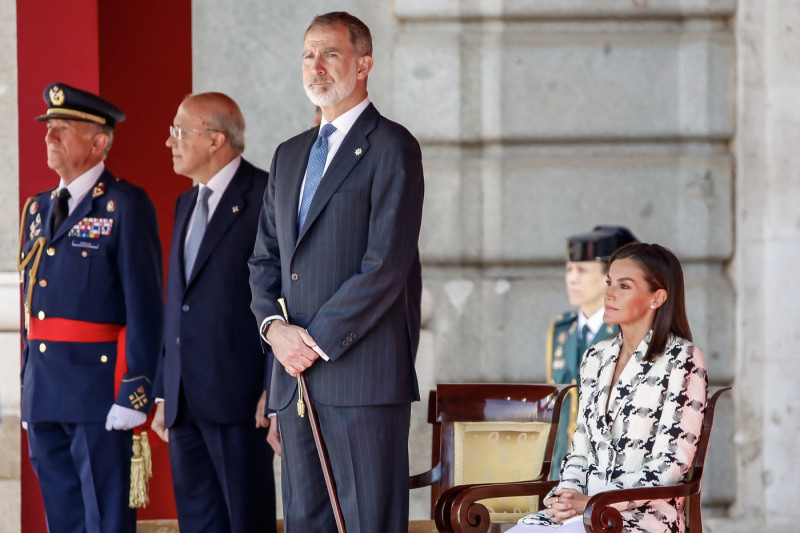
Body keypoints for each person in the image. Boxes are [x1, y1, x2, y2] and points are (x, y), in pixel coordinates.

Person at [248, 11, 424, 533]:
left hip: (362, 380)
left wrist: (314, 342)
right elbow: (264, 262)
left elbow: (385, 265)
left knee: (367, 522)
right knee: (304, 523)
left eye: (330, 54)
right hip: (294, 381)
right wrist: (276, 334)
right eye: (307, 55)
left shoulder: (393, 147)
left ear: (364, 63)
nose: (316, 67)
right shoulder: (288, 155)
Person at [17, 82, 163, 533]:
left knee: (105, 519)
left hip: (99, 392)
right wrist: (26, 386)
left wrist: (135, 391)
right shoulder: (38, 209)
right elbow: (30, 309)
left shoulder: (125, 205)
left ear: (99, 141)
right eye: (48, 128)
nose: (50, 136)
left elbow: (145, 305)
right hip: (45, 390)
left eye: (63, 128)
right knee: (62, 518)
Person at [512, 242, 708, 533]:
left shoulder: (682, 358)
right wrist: (566, 495)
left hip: (643, 517)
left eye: (624, 286)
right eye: (609, 283)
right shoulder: (595, 357)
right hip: (582, 512)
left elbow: (671, 463)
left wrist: (596, 501)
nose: (609, 294)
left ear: (657, 297)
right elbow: (579, 449)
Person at [150, 92, 277, 533]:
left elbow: (280, 297)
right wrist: (165, 390)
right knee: (198, 524)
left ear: (216, 140)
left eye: (180, 131)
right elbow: (177, 302)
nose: (170, 142)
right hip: (185, 401)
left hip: (241, 400)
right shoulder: (186, 203)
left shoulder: (264, 195)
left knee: (246, 520)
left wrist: (271, 386)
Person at [546, 226, 637, 480]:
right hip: (561, 470)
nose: (572, 279)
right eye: (569, 269)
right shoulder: (561, 329)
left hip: (607, 473)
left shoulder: (625, 330)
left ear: (608, 277)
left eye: (582, 270)